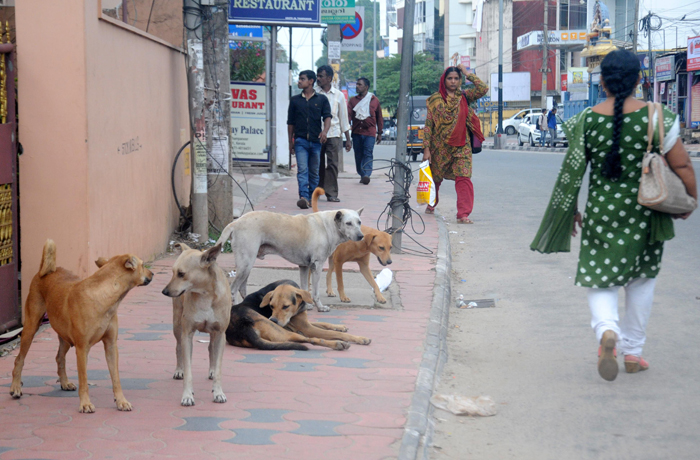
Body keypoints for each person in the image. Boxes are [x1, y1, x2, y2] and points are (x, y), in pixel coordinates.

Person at [531, 49, 697, 382]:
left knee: (600, 279)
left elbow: (572, 173)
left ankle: (608, 332)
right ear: (639, 79)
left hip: (602, 216)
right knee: (641, 282)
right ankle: (633, 353)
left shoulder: (587, 119)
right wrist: (689, 199)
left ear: (602, 82)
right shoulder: (657, 116)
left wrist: (571, 211)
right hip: (647, 215)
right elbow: (682, 165)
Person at [421, 63, 488, 224]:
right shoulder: (435, 100)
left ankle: (463, 214)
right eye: (449, 78)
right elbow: (429, 125)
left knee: (464, 178)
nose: (453, 81)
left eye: (456, 78)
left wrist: (467, 73)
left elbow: (483, 88)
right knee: (435, 178)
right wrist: (426, 149)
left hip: (462, 146)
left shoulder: (464, 96)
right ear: (444, 81)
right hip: (440, 147)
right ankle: (431, 204)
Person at [287, 70, 331, 209]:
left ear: (311, 81)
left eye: (302, 79)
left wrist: (325, 131)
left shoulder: (321, 99)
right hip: (300, 141)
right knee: (302, 170)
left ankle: (313, 197)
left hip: (316, 141)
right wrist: (290, 142)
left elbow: (327, 117)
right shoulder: (295, 100)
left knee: (314, 171)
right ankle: (304, 197)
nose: (299, 81)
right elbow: (290, 123)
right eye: (299, 79)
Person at [315, 65, 352, 202]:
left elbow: (343, 117)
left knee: (332, 164)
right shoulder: (314, 93)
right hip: (317, 134)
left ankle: (332, 193)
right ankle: (318, 189)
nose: (318, 79)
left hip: (334, 134)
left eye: (321, 76)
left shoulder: (339, 95)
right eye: (317, 76)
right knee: (317, 163)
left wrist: (347, 139)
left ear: (329, 78)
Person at [348, 77, 383, 184]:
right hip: (357, 132)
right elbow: (348, 116)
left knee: (368, 153)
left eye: (360, 85)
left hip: (370, 132)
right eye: (357, 84)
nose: (357, 86)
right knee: (358, 154)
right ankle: (362, 174)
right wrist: (346, 128)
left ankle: (367, 174)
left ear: (366, 87)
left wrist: (380, 133)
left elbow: (379, 117)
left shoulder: (374, 100)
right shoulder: (353, 101)